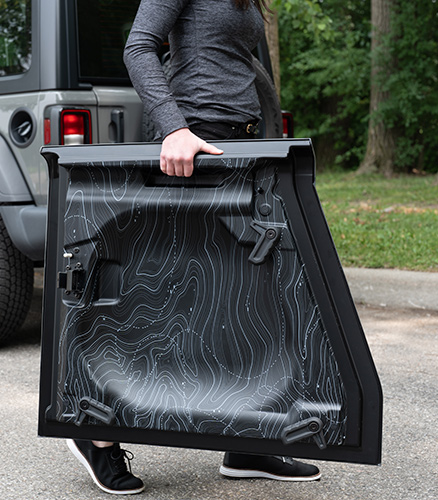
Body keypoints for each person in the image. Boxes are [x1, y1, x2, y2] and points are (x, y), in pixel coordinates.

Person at [66, 0, 321, 494]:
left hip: (241, 147)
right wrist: (174, 126)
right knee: (163, 300)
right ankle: (95, 435)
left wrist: (271, 136)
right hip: (191, 145)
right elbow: (139, 47)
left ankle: (247, 439)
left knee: (242, 298)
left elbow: (246, 65)